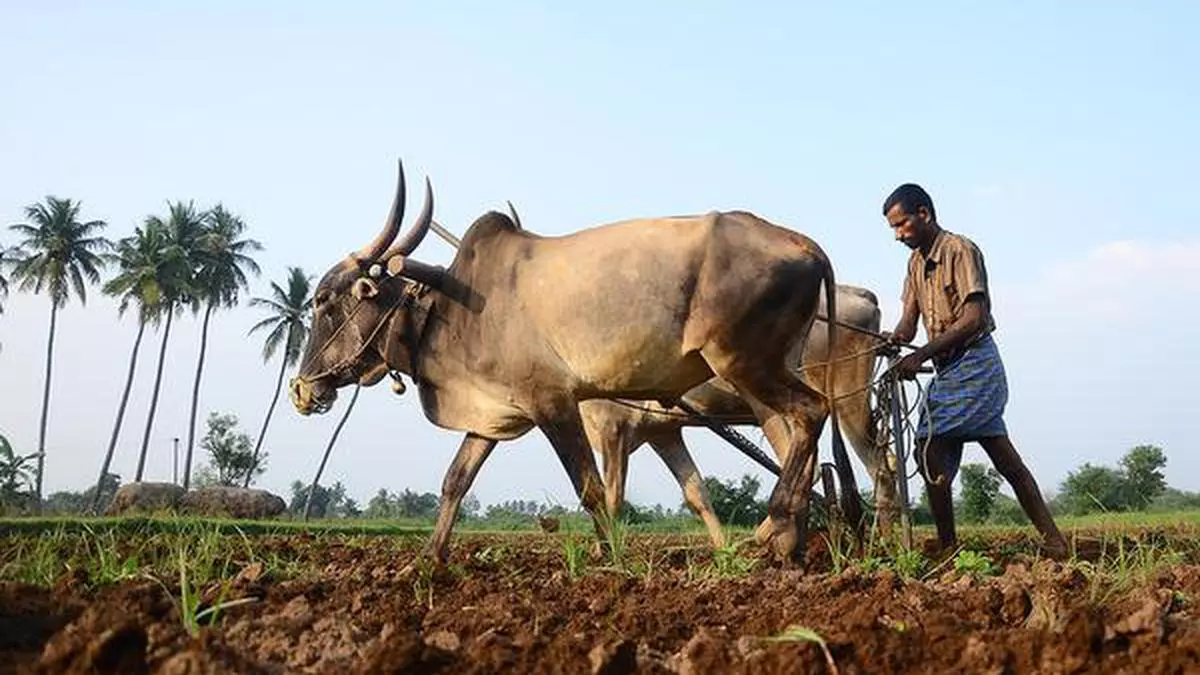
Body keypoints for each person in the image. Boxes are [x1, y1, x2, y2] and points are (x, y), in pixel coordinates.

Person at [880, 183, 1068, 559]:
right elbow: (908, 324)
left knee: (974, 453)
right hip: (948, 370)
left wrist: (920, 357)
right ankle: (957, 543)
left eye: (902, 225)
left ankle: (1040, 541)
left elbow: (973, 318)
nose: (898, 235)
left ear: (924, 214)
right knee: (944, 453)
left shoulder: (960, 250)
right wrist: (892, 340)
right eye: (893, 229)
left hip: (976, 363)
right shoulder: (915, 264)